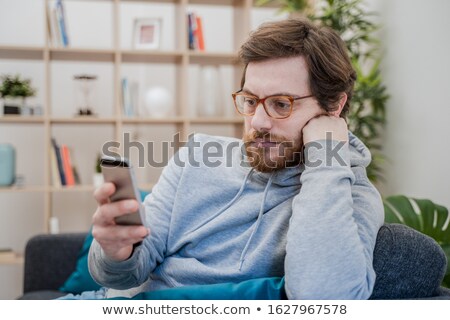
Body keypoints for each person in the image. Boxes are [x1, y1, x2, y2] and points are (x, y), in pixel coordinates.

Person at [88, 18, 384, 300]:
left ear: (334, 105)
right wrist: (117, 252)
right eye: (250, 101)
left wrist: (327, 156)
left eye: (281, 104)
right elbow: (122, 276)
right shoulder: (196, 156)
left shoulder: (348, 195)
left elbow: (322, 300)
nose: (257, 122)